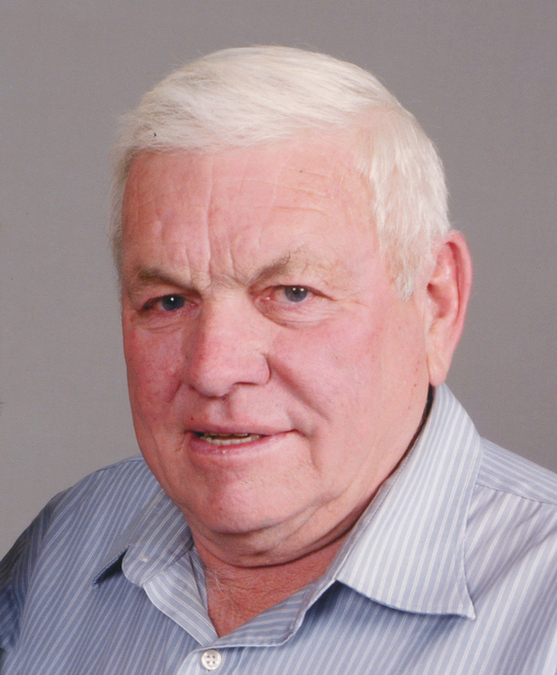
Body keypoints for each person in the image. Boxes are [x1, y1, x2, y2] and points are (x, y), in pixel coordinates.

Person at [1, 46, 557, 675]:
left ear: (436, 302)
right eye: (169, 301)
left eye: (293, 293)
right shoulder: (63, 548)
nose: (214, 369)